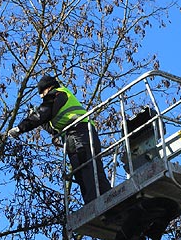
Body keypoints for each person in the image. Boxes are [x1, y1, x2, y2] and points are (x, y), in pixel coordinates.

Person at [7, 75, 111, 204]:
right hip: (80, 135)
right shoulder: (61, 100)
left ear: (49, 87)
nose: (41, 97)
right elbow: (51, 126)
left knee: (87, 169)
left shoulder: (57, 94)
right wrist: (38, 120)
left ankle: (99, 202)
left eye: (42, 93)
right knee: (88, 170)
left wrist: (21, 128)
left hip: (78, 134)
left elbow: (43, 112)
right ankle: (103, 200)